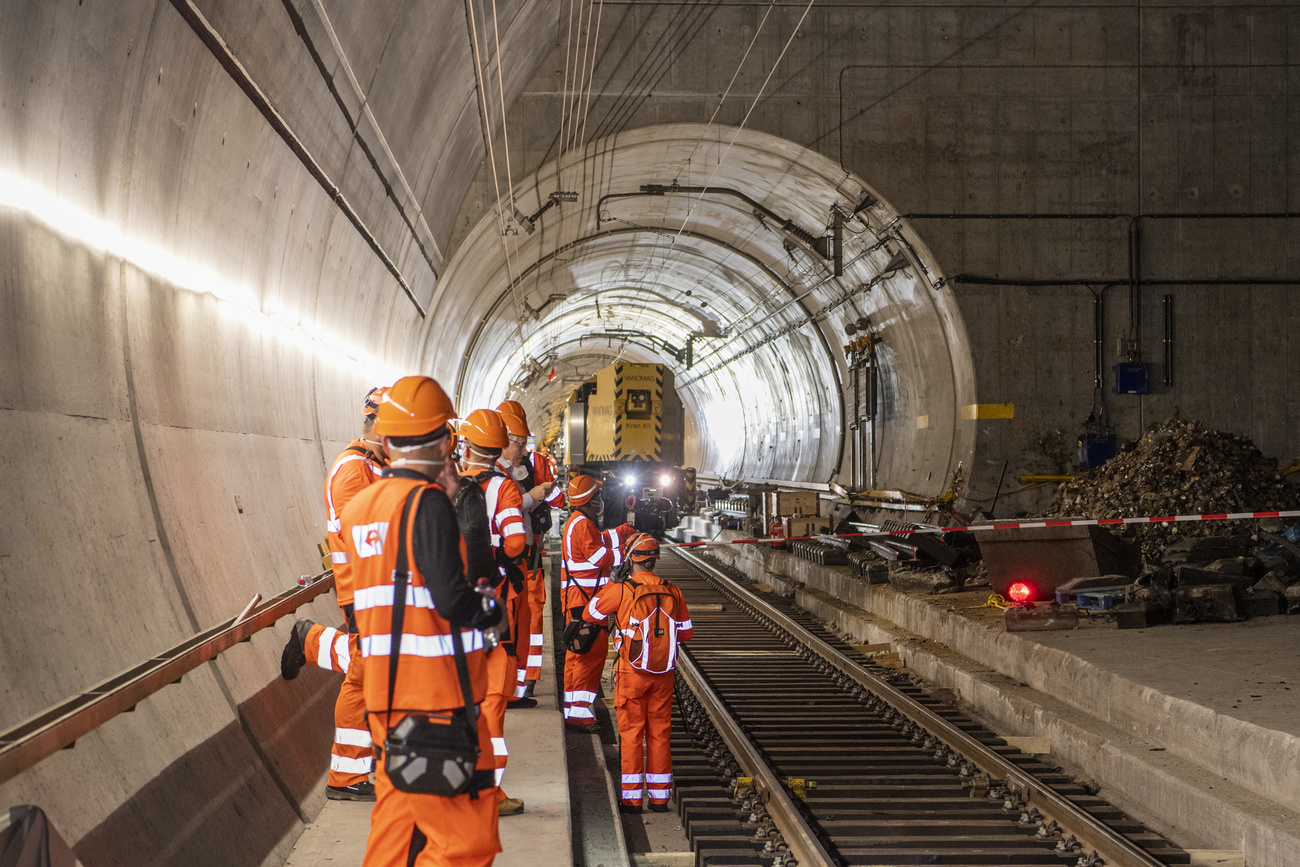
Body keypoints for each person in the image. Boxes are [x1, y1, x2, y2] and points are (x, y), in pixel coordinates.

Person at [338, 375, 502, 867]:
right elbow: (452, 598)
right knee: (464, 843)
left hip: (386, 698)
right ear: (446, 441)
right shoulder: (425, 503)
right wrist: (489, 613)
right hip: (434, 700)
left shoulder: (359, 509)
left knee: (395, 833)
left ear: (385, 441)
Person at [280, 386, 388, 801]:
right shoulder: (353, 471)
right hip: (363, 591)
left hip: (376, 590)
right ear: (377, 425)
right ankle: (345, 777)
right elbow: (365, 536)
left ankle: (311, 640)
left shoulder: (376, 465)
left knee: (367, 669)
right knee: (363, 674)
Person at [454, 408, 529, 817]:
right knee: (492, 699)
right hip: (492, 604)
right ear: (500, 446)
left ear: (464, 445)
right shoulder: (504, 489)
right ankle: (489, 794)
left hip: (450, 606)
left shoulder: (443, 484)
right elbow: (516, 543)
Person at [559, 474, 635, 730]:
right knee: (589, 657)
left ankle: (573, 709)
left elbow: (602, 539)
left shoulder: (579, 522)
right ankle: (579, 716)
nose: (601, 501)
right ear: (589, 502)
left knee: (577, 654)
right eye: (598, 497)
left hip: (580, 600)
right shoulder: (581, 525)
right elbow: (600, 556)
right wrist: (630, 550)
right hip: (586, 602)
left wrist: (626, 531)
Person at [494, 400, 558, 698]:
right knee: (510, 625)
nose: (523, 450)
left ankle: (520, 685)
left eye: (525, 443)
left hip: (526, 560)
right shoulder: (493, 475)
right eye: (519, 444)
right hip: (506, 564)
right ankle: (513, 686)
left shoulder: (531, 464)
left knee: (525, 621)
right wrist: (531, 497)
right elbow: (500, 509)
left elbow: (556, 498)